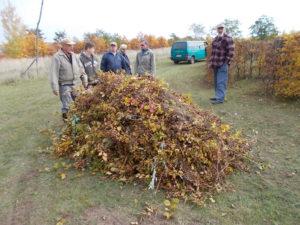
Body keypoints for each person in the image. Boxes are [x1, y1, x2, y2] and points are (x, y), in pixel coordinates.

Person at [49, 38, 87, 119]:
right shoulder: (57, 57)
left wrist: (84, 80)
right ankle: (69, 123)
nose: (71, 47)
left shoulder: (74, 56)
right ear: (63, 46)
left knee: (79, 104)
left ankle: (77, 122)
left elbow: (81, 68)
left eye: (72, 45)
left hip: (77, 84)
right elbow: (54, 73)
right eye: (69, 45)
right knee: (68, 106)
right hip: (65, 86)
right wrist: (55, 88)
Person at [209, 24, 234, 104]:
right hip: (215, 64)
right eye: (219, 28)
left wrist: (226, 62)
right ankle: (217, 96)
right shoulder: (215, 39)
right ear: (217, 29)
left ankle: (220, 99)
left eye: (222, 28)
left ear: (224, 29)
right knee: (216, 82)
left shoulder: (228, 39)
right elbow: (213, 52)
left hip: (222, 64)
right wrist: (211, 62)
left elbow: (231, 52)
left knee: (221, 82)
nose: (220, 30)